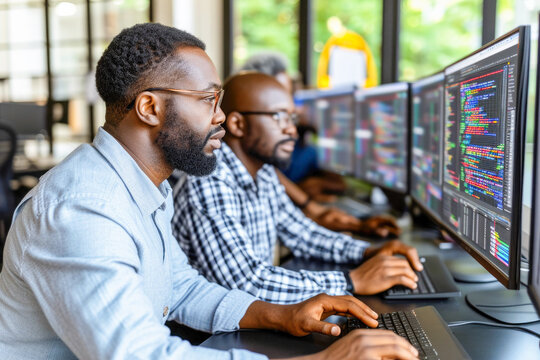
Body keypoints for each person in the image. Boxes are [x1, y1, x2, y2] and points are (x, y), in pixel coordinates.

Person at [0, 23, 418, 360]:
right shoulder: (83, 210)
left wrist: (280, 315)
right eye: (208, 99)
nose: (220, 117)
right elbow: (140, 355)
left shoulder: (143, 186)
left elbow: (181, 287)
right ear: (150, 108)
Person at [171, 72, 423, 306]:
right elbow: (247, 281)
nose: (291, 129)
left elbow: (302, 233)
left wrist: (367, 252)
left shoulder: (264, 171)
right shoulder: (209, 180)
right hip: (213, 337)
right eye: (279, 116)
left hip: (252, 317)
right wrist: (351, 281)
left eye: (292, 118)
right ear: (238, 124)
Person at [238, 52, 399, 236]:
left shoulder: (270, 167)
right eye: (280, 104)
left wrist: (359, 232)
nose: (293, 107)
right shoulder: (225, 175)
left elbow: (298, 229)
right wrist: (310, 206)